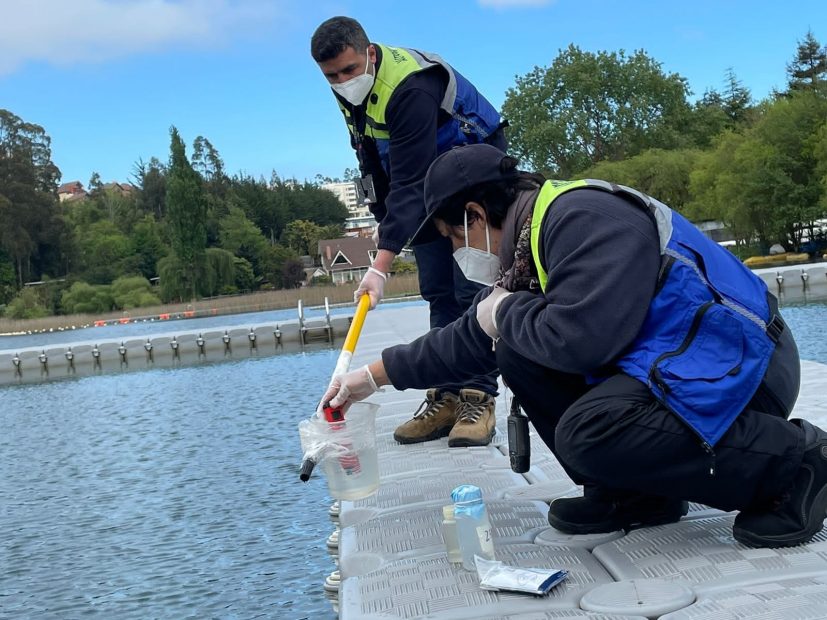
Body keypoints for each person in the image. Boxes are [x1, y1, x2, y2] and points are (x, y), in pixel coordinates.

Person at [321, 143, 827, 549]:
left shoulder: (581, 219)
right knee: (516, 350)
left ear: (476, 214)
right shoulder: (530, 242)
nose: (458, 253)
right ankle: (635, 494)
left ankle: (795, 462)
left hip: (748, 366)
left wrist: (504, 311)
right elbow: (472, 337)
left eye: (454, 237)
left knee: (591, 431)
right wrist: (368, 379)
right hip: (687, 361)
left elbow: (581, 341)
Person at [311, 17, 509, 447]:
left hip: (471, 172)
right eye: (332, 76)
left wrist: (380, 265)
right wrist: (387, 224)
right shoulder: (352, 92)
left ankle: (478, 396)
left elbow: (411, 182)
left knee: (467, 288)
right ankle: (446, 393)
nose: (343, 81)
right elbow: (378, 163)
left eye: (348, 70)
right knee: (437, 290)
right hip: (424, 182)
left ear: (370, 53)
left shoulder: (411, 87)